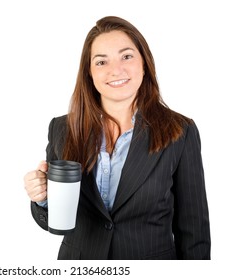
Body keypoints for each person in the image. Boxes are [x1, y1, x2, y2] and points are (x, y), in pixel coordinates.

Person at [23, 16, 210, 260]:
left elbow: (193, 229)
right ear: (89, 73)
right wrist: (43, 199)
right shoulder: (63, 128)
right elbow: (55, 223)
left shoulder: (179, 131)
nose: (115, 70)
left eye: (127, 56)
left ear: (144, 63)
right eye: (101, 61)